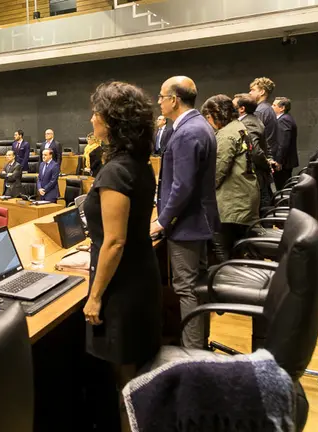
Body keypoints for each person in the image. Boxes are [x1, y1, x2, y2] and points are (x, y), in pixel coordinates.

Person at [82, 81, 162, 432]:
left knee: (127, 384)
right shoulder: (138, 164)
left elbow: (114, 241)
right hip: (141, 276)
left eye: (96, 113)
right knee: (137, 379)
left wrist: (95, 297)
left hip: (121, 289)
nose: (92, 118)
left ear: (110, 122)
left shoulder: (115, 172)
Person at [151, 76, 219, 350]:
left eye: (161, 96)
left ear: (174, 100)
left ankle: (192, 356)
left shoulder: (187, 132)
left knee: (186, 290)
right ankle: (199, 344)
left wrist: (161, 221)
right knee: (197, 287)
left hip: (187, 225)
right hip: (198, 221)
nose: (158, 102)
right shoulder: (199, 125)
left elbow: (182, 186)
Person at [201, 95, 260, 262]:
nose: (209, 122)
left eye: (208, 117)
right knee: (238, 248)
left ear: (216, 114)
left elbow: (217, 172)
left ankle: (227, 281)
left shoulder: (226, 135)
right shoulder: (239, 126)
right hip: (245, 194)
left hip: (232, 201)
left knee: (221, 248)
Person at [234, 93, 273, 210]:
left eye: (233, 105)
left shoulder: (248, 123)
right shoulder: (251, 120)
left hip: (257, 176)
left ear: (242, 109)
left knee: (260, 214)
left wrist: (267, 164)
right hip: (258, 176)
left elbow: (254, 151)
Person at [249, 77, 278, 172]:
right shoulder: (267, 108)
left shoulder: (260, 111)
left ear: (262, 92)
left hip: (262, 158)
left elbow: (255, 139)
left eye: (253, 90)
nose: (250, 93)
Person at [272, 97, 299, 190]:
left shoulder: (284, 120)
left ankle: (286, 204)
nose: (271, 107)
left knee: (282, 188)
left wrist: (279, 161)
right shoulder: (286, 118)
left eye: (274, 105)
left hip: (283, 162)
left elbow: (283, 142)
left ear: (282, 108)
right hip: (285, 161)